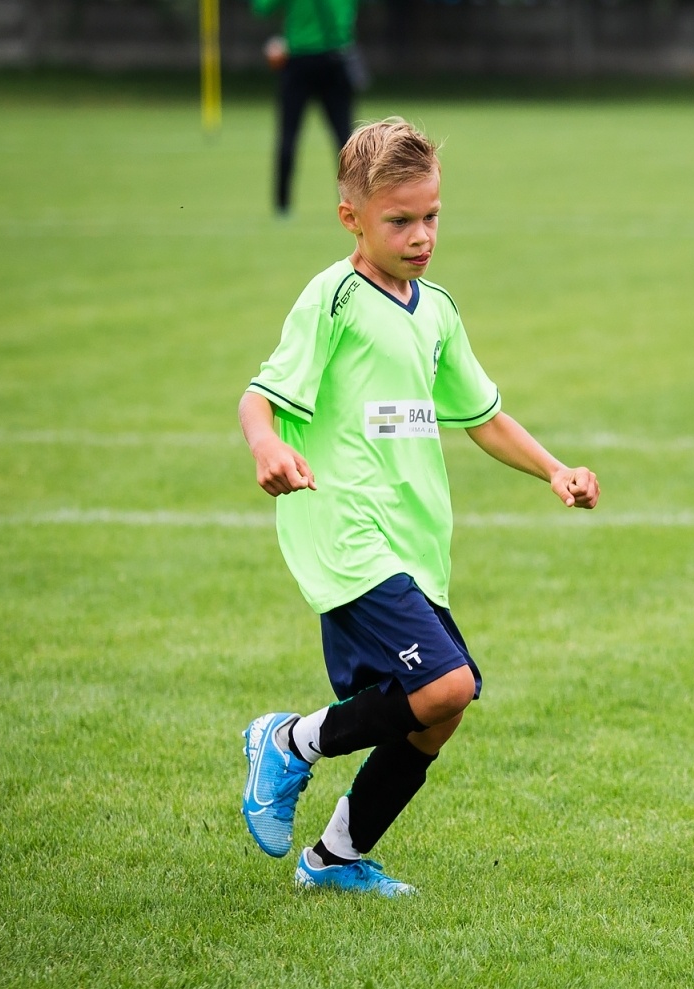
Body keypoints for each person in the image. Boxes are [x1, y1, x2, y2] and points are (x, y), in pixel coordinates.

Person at [238, 119, 600, 896]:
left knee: (438, 712)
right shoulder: (332, 298)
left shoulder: (434, 309)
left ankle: (333, 859)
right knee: (446, 685)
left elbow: (482, 415)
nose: (421, 234)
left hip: (413, 541)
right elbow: (258, 396)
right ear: (353, 219)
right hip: (345, 529)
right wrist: (267, 444)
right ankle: (289, 741)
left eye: (431, 216)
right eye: (399, 220)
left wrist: (553, 469)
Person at [253, 0, 363, 215]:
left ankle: (282, 205)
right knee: (346, 141)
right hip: (335, 59)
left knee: (289, 135)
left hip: (298, 61)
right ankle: (354, 202)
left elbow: (262, 7)